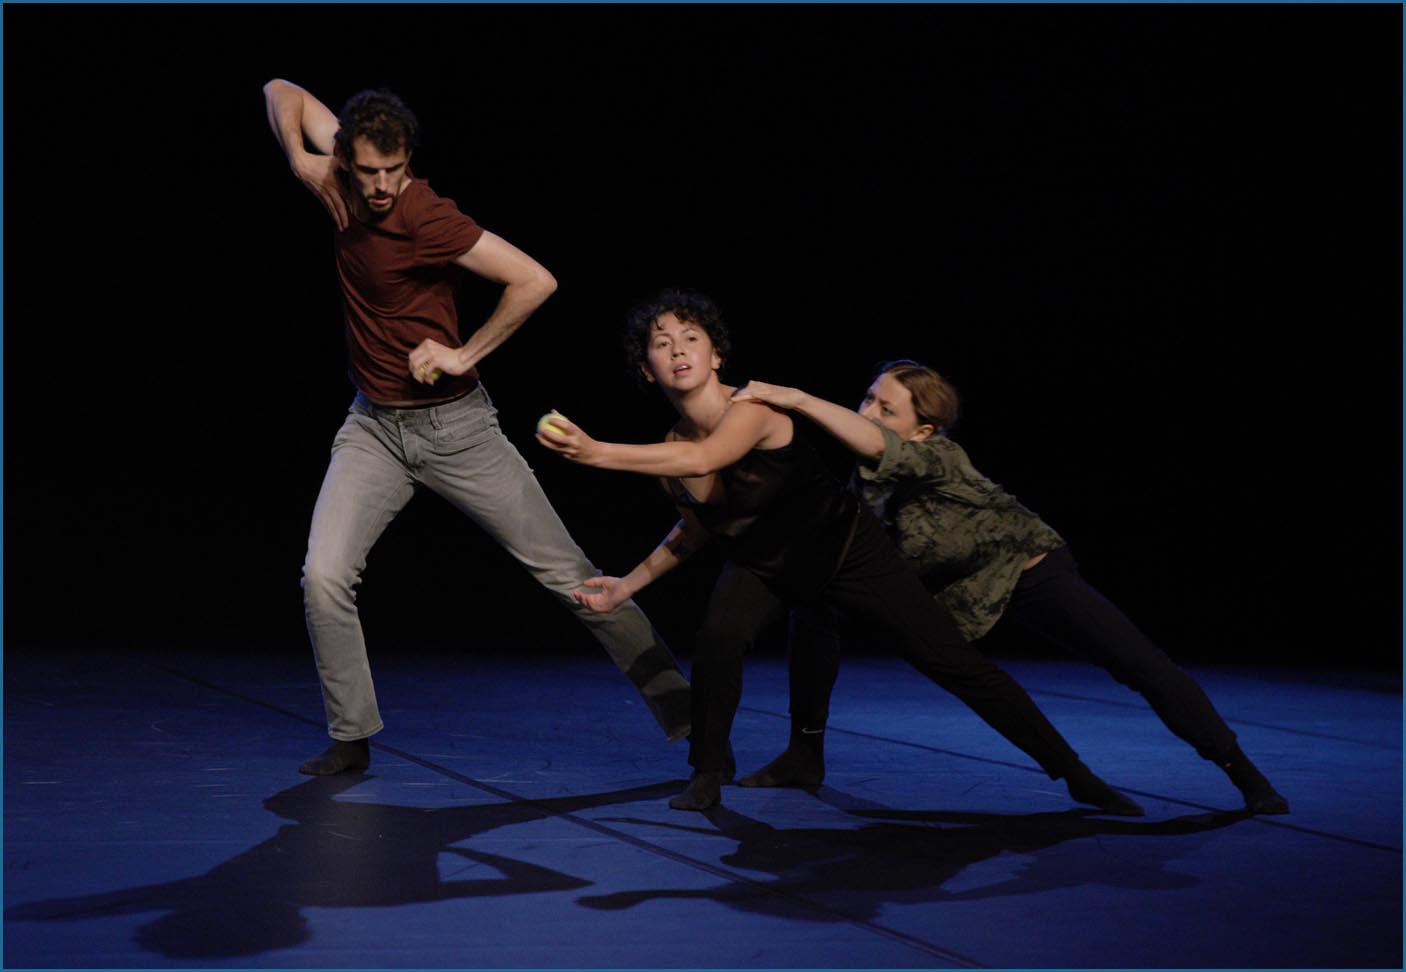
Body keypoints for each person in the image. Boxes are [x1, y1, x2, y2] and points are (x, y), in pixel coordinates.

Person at [536, 289, 1142, 815]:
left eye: (690, 337)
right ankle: (709, 770)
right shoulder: (667, 449)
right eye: (661, 343)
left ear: (716, 355)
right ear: (647, 370)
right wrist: (625, 586)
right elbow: (695, 530)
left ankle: (1075, 773)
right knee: (719, 637)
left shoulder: (754, 410)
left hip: (846, 551)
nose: (677, 350)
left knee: (952, 664)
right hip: (764, 564)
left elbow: (705, 458)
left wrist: (597, 452)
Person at [262, 79, 690, 775]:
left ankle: (687, 717)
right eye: (368, 172)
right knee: (323, 577)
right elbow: (281, 89)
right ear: (345, 158)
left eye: (394, 171)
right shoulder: (339, 179)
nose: (381, 187)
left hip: (456, 430)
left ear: (409, 161)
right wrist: (297, 158)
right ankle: (351, 735)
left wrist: (465, 354)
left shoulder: (425, 215)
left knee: (568, 575)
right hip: (373, 428)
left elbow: (535, 280)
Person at [729, 362, 1290, 815]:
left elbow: (881, 448)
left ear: (922, 430)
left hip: (1028, 572)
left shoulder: (938, 455)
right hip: (960, 598)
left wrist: (798, 399)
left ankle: (1244, 774)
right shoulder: (866, 484)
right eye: (868, 398)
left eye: (886, 408)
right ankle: (805, 752)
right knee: (816, 607)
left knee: (1137, 664)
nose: (867, 412)